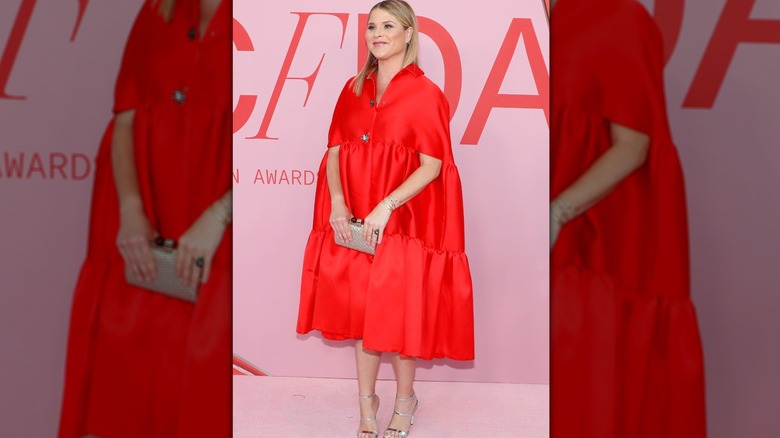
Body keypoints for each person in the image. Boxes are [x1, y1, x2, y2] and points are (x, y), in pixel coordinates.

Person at [296, 1, 474, 437]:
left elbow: (432, 166)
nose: (377, 33)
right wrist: (338, 203)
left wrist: (385, 206)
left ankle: (406, 400)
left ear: (409, 33)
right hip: (354, 215)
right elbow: (335, 151)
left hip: (405, 217)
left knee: (397, 311)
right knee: (361, 310)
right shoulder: (353, 88)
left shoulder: (427, 93)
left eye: (388, 25)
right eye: (372, 26)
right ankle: (366, 404)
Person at [58, 0, 232, 436]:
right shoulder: (158, 9)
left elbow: (279, 133)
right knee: (128, 380)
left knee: (205, 382)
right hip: (142, 215)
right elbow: (125, 115)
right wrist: (132, 211)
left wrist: (220, 214)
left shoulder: (268, 15)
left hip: (224, 217)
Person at [549, 0, 706, 437]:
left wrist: (558, 213)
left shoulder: (619, 18)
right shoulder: (528, 17)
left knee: (587, 392)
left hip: (596, 245)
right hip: (551, 251)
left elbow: (634, 144)